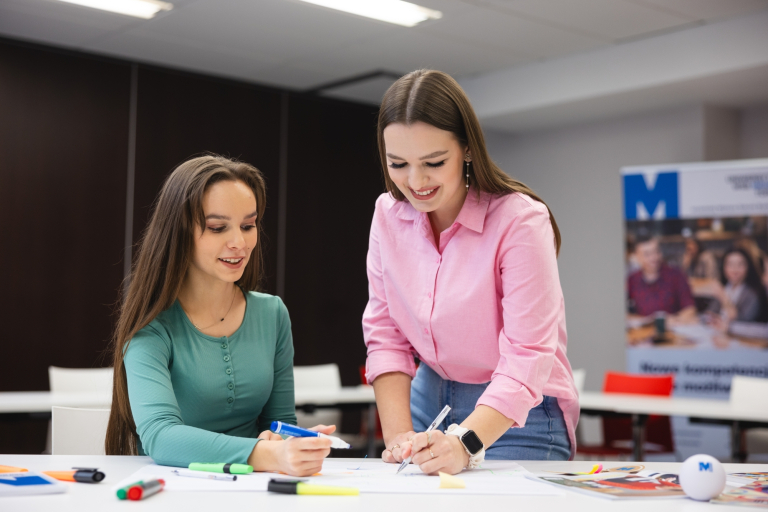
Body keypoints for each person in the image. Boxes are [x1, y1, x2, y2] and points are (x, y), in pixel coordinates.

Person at [363, 69, 578, 476]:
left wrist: (465, 443)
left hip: (520, 413)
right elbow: (386, 334)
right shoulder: (387, 216)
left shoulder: (520, 221)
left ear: (466, 148)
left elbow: (527, 355)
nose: (416, 181)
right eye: (398, 164)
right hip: (429, 397)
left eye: (434, 162)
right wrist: (398, 437)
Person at [105, 155, 333, 475]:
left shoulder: (272, 314)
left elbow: (278, 424)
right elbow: (161, 437)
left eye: (248, 225)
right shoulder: (151, 325)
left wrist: (293, 442)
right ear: (179, 231)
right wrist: (266, 453)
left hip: (255, 488)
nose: (239, 242)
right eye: (217, 227)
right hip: (172, 489)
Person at [626, 234, 696, 326]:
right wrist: (644, 321)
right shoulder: (632, 279)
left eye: (656, 251)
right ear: (637, 257)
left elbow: (690, 310)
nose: (653, 258)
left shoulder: (675, 275)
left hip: (673, 330)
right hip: (645, 332)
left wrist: (673, 320)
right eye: (647, 254)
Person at [720, 247, 766, 322]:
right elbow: (711, 312)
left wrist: (722, 296)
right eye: (730, 264)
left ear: (748, 267)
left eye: (740, 264)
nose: (735, 269)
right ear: (723, 267)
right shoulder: (725, 287)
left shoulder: (753, 292)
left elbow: (743, 320)